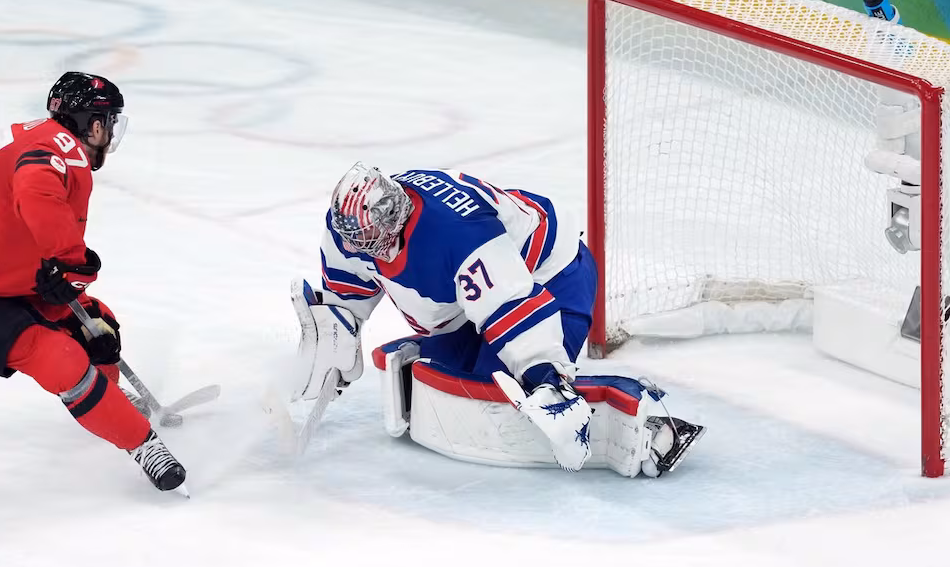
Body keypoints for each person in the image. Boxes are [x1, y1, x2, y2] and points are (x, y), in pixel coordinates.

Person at [289, 163, 703, 475]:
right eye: (357, 242)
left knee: (504, 389)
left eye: (372, 241)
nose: (365, 250)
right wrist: (336, 328)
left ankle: (644, 424)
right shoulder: (352, 226)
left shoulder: (455, 232)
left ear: (393, 217)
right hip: (467, 303)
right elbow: (348, 290)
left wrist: (544, 375)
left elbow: (509, 300)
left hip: (550, 277)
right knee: (448, 374)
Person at [0, 72, 186, 494]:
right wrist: (71, 264)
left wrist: (63, 280)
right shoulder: (63, 152)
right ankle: (143, 446)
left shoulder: (27, 135)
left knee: (96, 324)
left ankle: (109, 406)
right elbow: (36, 191)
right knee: (60, 357)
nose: (108, 134)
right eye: (108, 122)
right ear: (93, 125)